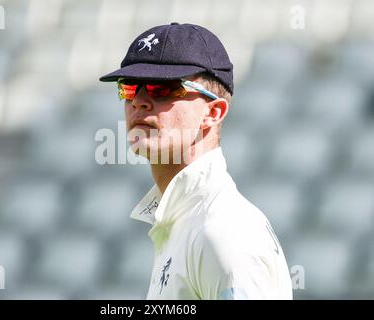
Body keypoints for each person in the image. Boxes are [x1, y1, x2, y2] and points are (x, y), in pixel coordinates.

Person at [99, 22, 292, 300]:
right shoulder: (188, 219)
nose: (139, 101)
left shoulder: (221, 231)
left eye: (163, 88)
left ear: (213, 112)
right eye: (129, 88)